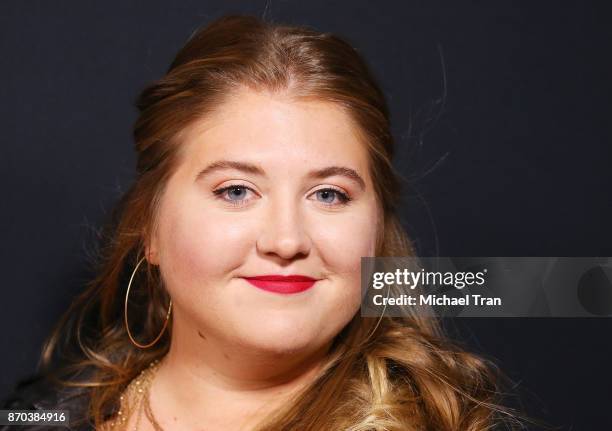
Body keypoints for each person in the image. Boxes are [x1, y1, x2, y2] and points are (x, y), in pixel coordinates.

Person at [2, 14, 522, 431]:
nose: (286, 240)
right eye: (235, 190)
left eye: (328, 194)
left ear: (377, 232)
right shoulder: (41, 415)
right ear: (150, 227)